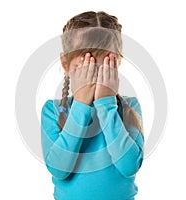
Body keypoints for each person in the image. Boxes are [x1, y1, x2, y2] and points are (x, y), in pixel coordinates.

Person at [41, 11, 144, 200]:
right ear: (65, 64)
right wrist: (80, 104)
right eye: (86, 69)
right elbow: (58, 169)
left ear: (117, 64)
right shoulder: (53, 110)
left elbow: (129, 167)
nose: (94, 79)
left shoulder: (129, 107)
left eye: (103, 68)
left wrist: (106, 106)